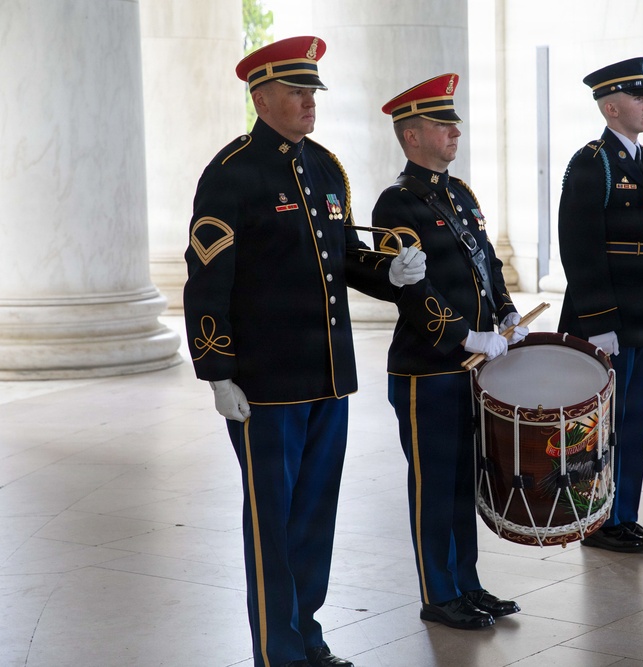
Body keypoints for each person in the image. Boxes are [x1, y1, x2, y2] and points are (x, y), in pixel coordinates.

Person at [183, 36, 426, 667]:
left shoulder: (323, 166)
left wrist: (389, 274)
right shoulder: (232, 172)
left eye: (313, 91)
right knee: (272, 521)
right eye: (296, 91)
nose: (308, 102)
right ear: (261, 97)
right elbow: (208, 277)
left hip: (328, 376)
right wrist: (217, 372)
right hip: (265, 384)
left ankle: (306, 635)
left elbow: (340, 256)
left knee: (314, 518)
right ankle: (277, 650)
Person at [372, 73, 526, 630]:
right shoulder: (397, 203)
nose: (454, 132)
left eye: (453, 123)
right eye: (442, 125)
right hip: (428, 368)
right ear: (411, 137)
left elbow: (485, 263)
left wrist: (506, 312)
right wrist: (465, 335)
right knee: (434, 485)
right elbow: (413, 290)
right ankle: (439, 593)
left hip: (473, 367)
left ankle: (468, 583)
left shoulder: (459, 194)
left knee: (466, 480)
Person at [557, 57, 643, 553]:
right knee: (603, 423)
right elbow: (577, 245)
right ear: (610, 107)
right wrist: (600, 320)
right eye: (637, 97)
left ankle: (624, 513)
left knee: (637, 416)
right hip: (607, 317)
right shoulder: (592, 162)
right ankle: (597, 518)